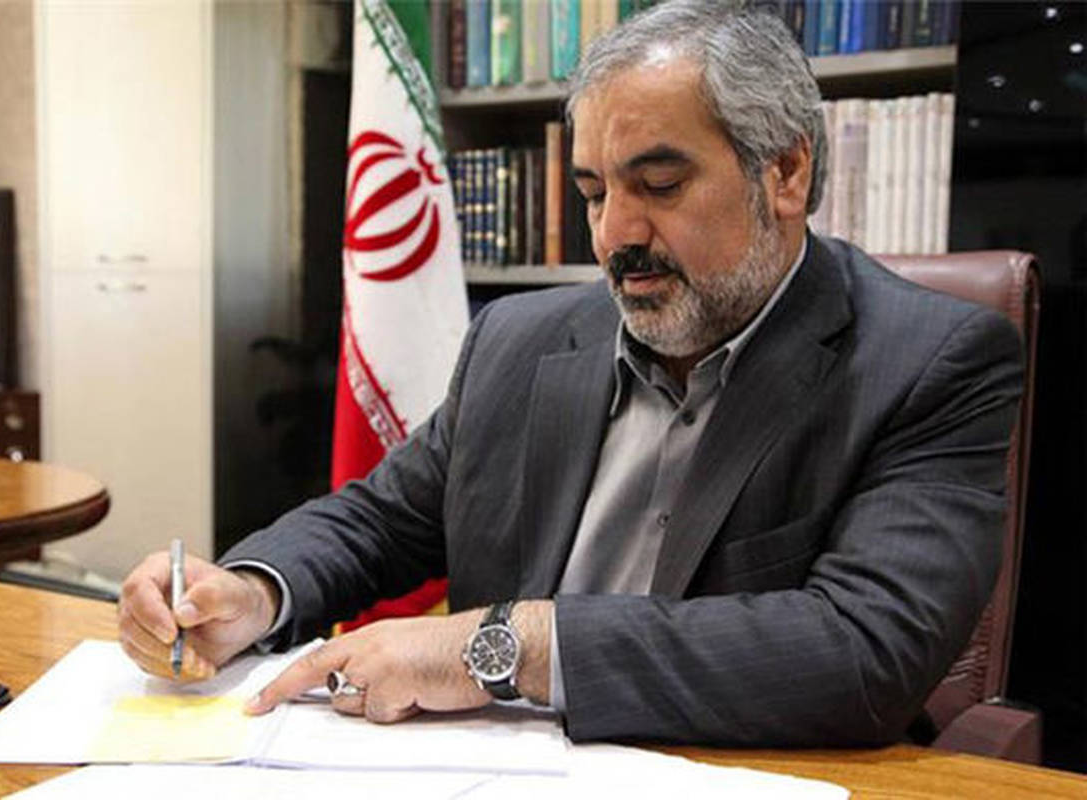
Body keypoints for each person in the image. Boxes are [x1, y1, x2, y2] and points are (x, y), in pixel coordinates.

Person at [118, 0, 1022, 747]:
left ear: (785, 172)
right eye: (593, 192)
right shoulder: (519, 339)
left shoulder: (930, 361)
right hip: (485, 767)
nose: (614, 234)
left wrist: (508, 646)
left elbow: (863, 653)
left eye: (659, 185)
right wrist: (252, 589)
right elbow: (383, 519)